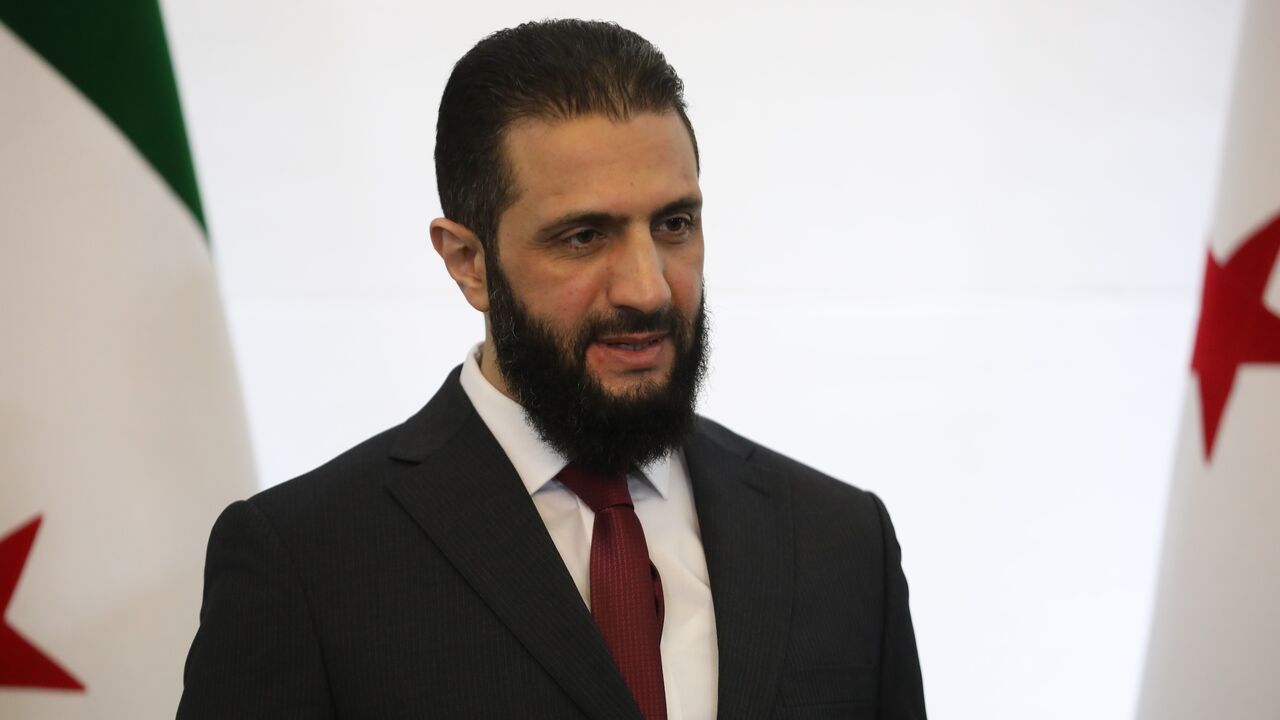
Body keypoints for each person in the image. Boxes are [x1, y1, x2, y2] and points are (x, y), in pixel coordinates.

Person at [179, 19, 926, 720]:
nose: (648, 289)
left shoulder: (841, 541)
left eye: (674, 225)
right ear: (467, 262)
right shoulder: (306, 563)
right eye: (583, 236)